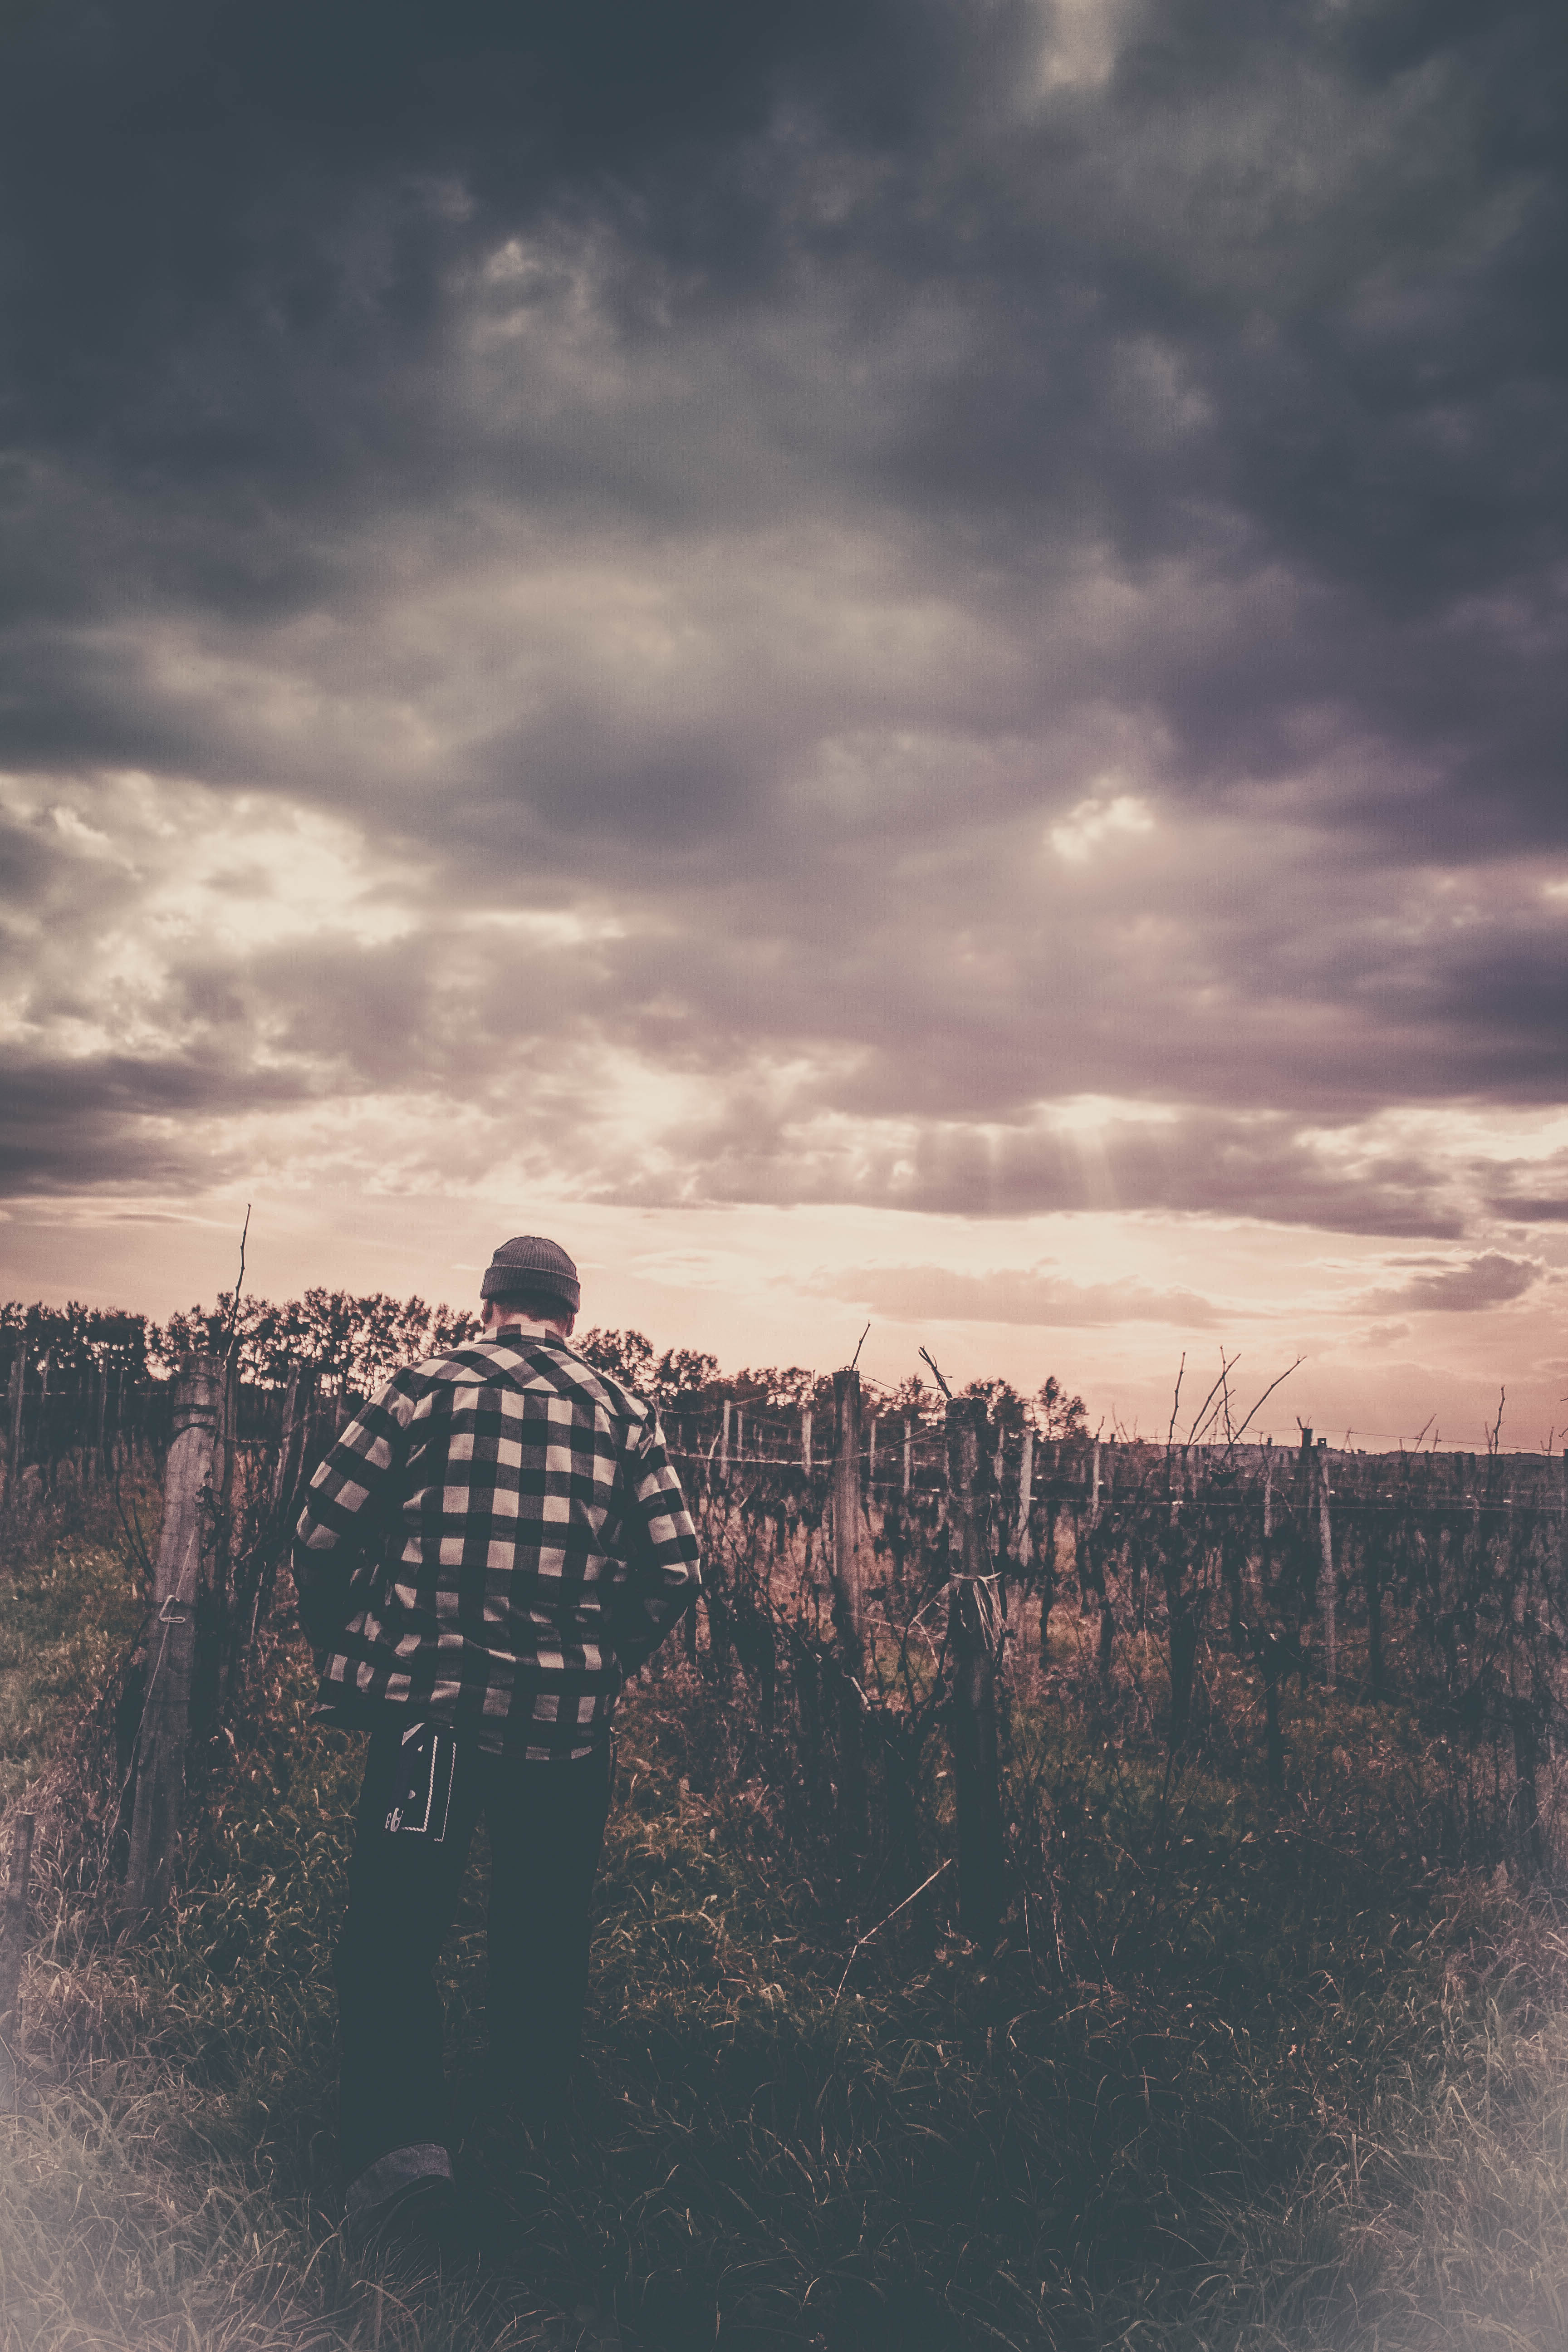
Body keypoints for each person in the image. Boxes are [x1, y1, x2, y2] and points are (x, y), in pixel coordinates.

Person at [291, 1235, 701, 2266]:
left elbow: (322, 1533)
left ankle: (402, 2170)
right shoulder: (623, 1409)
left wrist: (354, 1646)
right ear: (572, 1316)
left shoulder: (421, 1386)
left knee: (393, 1934)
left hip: (426, 1720)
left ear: (489, 1305)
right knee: (544, 1922)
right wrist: (601, 1665)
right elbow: (676, 1567)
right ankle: (526, 2135)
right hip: (563, 1734)